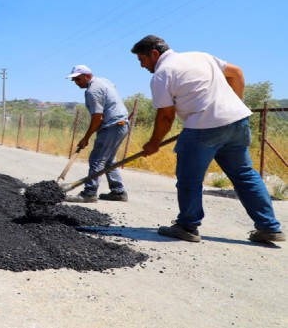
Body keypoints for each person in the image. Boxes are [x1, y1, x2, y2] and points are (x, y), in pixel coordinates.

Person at [131, 35, 284, 243]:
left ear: (154, 54)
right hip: (237, 122)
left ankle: (187, 226)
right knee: (244, 174)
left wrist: (153, 143)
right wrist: (229, 108)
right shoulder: (200, 56)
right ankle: (269, 227)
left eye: (142, 60)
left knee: (189, 179)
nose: (142, 65)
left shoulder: (162, 74)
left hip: (202, 128)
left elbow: (166, 116)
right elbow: (236, 73)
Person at [64, 65, 130, 203]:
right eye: (74, 80)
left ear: (88, 76)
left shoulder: (92, 91)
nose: (76, 83)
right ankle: (118, 192)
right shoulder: (103, 81)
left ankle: (89, 193)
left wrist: (86, 138)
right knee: (109, 160)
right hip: (120, 124)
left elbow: (97, 118)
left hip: (112, 126)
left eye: (78, 79)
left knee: (97, 159)